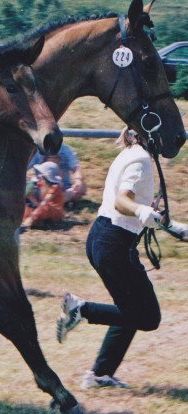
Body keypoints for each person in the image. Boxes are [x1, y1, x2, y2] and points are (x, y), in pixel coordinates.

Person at [56, 128, 162, 389]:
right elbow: (122, 201)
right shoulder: (140, 159)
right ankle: (80, 309)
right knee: (147, 317)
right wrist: (141, 210)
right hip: (114, 243)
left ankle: (100, 374)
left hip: (105, 238)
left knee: (129, 310)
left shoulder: (130, 153)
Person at [21, 161, 65, 229]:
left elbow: (44, 202)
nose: (39, 175)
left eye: (41, 174)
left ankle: (33, 221)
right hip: (41, 207)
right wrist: (29, 194)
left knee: (45, 209)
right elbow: (26, 193)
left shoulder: (55, 187)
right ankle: (31, 220)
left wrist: (32, 217)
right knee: (27, 207)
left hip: (54, 212)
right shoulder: (41, 183)